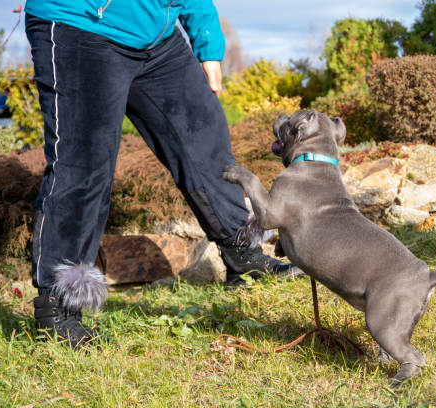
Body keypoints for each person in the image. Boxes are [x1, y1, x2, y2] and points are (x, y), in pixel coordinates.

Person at [24, 0, 301, 347]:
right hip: (81, 26)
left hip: (156, 37)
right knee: (85, 165)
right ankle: (60, 309)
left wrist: (208, 43)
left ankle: (242, 254)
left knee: (203, 134)